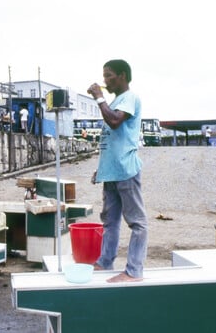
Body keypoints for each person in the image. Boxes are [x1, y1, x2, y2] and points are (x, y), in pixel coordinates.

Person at [87, 59, 147, 283]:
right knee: (109, 221)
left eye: (109, 75)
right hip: (112, 172)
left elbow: (114, 122)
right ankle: (105, 262)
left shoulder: (130, 98)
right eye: (103, 76)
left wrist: (99, 98)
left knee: (137, 222)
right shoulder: (116, 101)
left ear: (122, 76)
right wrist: (101, 170)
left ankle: (134, 271)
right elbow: (111, 142)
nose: (104, 81)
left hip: (126, 170)